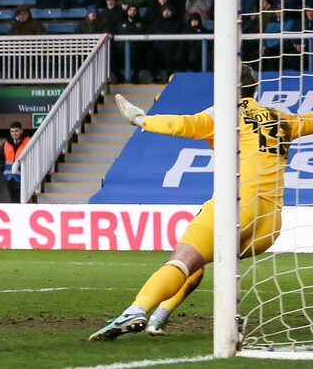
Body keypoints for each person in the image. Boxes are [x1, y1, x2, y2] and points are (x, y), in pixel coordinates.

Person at [89, 66, 313, 340]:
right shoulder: (282, 119)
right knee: (203, 261)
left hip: (236, 206)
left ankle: (137, 309)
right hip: (269, 225)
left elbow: (182, 125)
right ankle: (160, 317)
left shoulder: (223, 114)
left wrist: (141, 119)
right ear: (255, 89)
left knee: (183, 259)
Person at [0, 121, 29, 203]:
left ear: (21, 131)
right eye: (12, 131)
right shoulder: (6, 144)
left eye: (16, 131)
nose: (14, 133)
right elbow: (2, 158)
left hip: (23, 178)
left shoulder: (28, 142)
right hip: (10, 178)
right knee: (13, 201)